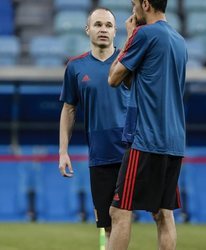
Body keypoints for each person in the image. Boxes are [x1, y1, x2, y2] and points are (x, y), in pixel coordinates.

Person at [108, 0, 188, 250]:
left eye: (134, 4)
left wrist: (130, 35)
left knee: (119, 212)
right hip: (174, 141)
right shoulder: (179, 41)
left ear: (146, 4)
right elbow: (140, 83)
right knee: (163, 213)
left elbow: (113, 77)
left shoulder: (144, 34)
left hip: (147, 139)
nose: (132, 10)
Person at [58, 8, 129, 249]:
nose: (103, 30)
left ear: (115, 31)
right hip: (99, 156)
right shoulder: (75, 67)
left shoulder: (128, 63)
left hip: (131, 153)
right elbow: (69, 109)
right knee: (109, 224)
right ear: (88, 29)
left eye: (108, 25)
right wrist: (63, 152)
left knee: (130, 216)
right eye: (98, 24)